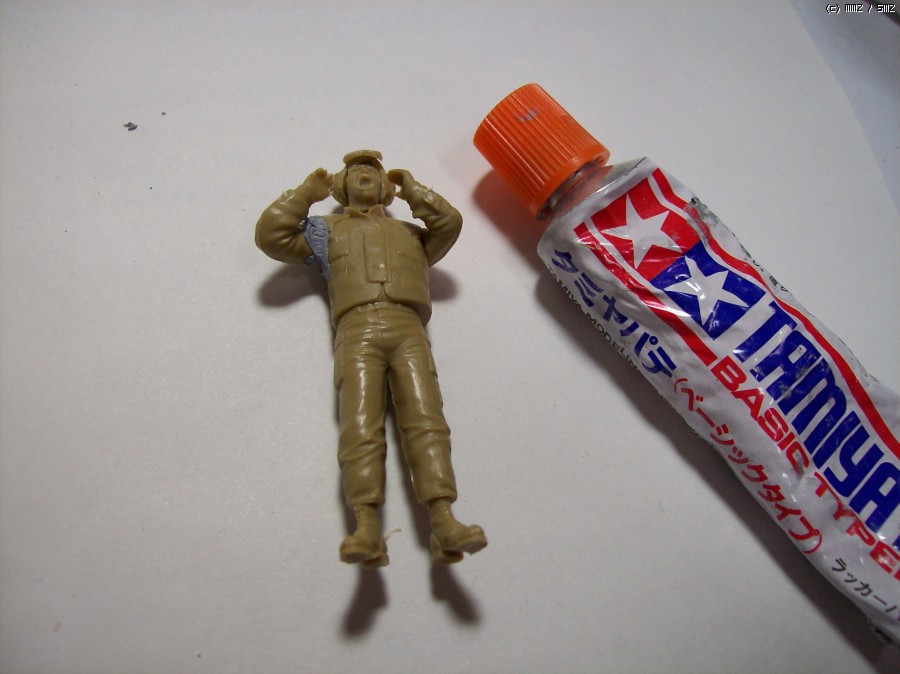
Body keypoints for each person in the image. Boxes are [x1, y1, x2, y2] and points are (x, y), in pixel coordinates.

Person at [255, 150, 486, 566]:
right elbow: (272, 235)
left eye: (373, 171)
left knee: (426, 420)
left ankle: (444, 521)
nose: (364, 175)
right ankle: (366, 527)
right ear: (341, 185)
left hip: (408, 327)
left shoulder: (412, 234)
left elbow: (449, 223)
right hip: (357, 329)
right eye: (356, 171)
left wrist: (414, 190)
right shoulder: (324, 232)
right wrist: (306, 193)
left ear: (386, 186)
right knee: (360, 423)